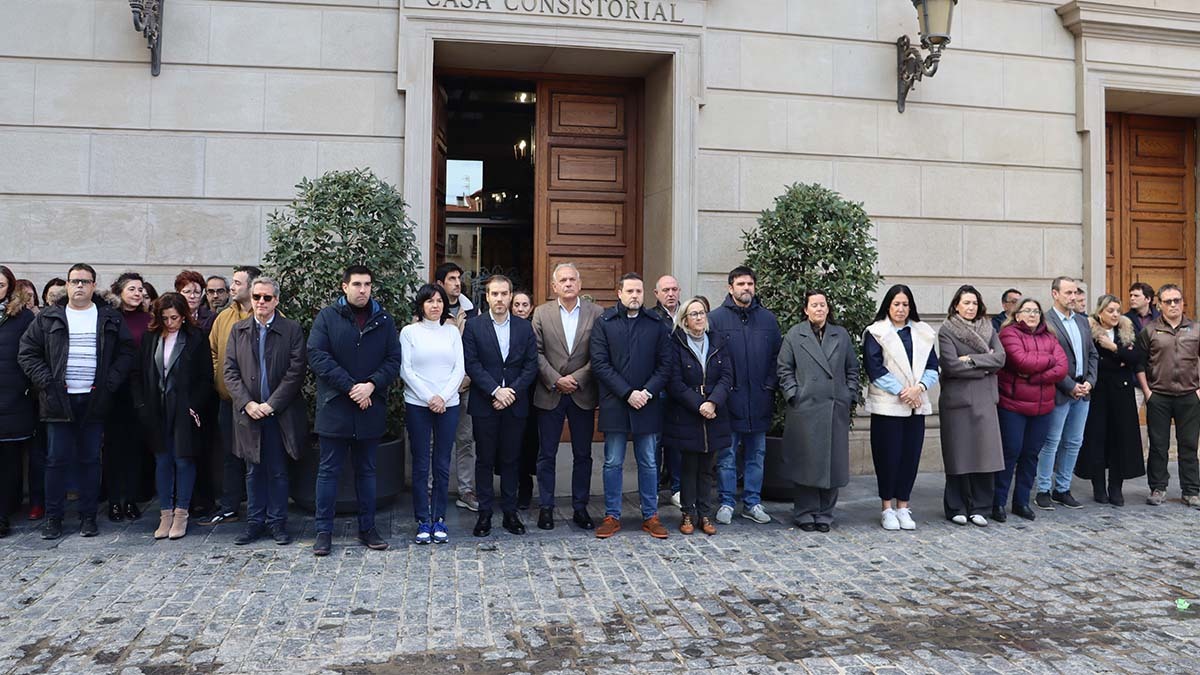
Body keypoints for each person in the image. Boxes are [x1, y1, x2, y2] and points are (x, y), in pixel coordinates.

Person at [18, 263, 135, 539]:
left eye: (85, 281)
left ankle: (88, 517)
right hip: (59, 400)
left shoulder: (109, 317)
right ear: (67, 285)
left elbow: (127, 351)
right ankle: (54, 518)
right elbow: (27, 352)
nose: (79, 286)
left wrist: (110, 382)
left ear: (94, 285)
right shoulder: (49, 317)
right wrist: (47, 380)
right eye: (74, 281)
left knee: (90, 460)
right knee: (56, 460)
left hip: (95, 399)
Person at [308, 265, 402, 556]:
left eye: (368, 285)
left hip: (369, 407)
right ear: (344, 287)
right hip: (335, 406)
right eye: (357, 284)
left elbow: (393, 360)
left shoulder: (384, 320)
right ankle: (323, 531)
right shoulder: (327, 317)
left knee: (367, 472)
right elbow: (317, 356)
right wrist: (351, 387)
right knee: (328, 472)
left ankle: (368, 528)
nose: (363, 290)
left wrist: (371, 386)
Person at [224, 277, 307, 546]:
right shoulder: (238, 330)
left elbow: (296, 372)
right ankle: (254, 523)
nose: (261, 302)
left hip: (278, 413)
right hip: (248, 414)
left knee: (278, 470)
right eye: (257, 297)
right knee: (252, 471)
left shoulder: (291, 330)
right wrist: (247, 404)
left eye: (267, 298)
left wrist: (272, 404)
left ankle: (277, 523)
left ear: (276, 301)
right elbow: (230, 371)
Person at [590, 273, 671, 539]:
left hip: (647, 403)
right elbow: (600, 364)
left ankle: (651, 515)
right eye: (630, 291)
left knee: (648, 461)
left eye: (639, 291)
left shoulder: (656, 323)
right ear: (619, 293)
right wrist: (627, 393)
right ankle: (612, 515)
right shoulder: (604, 322)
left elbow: (665, 364)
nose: (635, 296)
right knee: (613, 461)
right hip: (616, 402)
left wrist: (646, 392)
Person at [777, 291, 859, 532]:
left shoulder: (840, 335)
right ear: (806, 309)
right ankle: (804, 512)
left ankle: (825, 514)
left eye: (822, 305)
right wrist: (794, 394)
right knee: (806, 462)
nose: (819, 309)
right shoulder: (795, 334)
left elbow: (852, 368)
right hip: (805, 409)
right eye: (814, 305)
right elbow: (784, 368)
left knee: (831, 463)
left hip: (834, 407)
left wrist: (848, 394)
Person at [462, 275, 538, 537]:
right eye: (494, 294)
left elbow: (531, 366)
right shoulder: (474, 327)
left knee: (511, 460)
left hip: (515, 404)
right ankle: (484, 513)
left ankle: (509, 512)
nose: (500, 299)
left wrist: (511, 392)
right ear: (487, 296)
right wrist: (495, 390)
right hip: (486, 403)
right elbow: (471, 364)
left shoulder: (524, 328)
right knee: (484, 460)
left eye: (504, 294)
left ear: (510, 295)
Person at [133, 293, 213, 540]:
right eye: (165, 318)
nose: (170, 323)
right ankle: (165, 513)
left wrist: (193, 406)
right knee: (162, 460)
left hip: (183, 408)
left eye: (174, 318)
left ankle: (181, 513)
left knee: (183, 459)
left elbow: (205, 377)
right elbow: (139, 373)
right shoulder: (151, 338)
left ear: (183, 316)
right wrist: (142, 405)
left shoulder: (195, 338)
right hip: (157, 407)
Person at [531, 263, 603, 531]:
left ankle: (580, 508)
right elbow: (535, 353)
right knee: (546, 454)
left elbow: (600, 353)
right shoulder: (541, 313)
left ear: (580, 284)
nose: (568, 283)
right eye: (563, 280)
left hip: (582, 393)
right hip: (550, 392)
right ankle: (546, 508)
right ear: (554, 286)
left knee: (583, 454)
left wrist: (578, 378)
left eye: (573, 279)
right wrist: (555, 379)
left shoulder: (596, 313)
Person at [707, 266, 781, 526]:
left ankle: (752, 502)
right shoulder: (715, 319)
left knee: (756, 454)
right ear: (730, 288)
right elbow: (711, 361)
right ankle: (726, 501)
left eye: (750, 284)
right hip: (729, 401)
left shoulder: (768, 320)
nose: (746, 288)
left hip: (759, 399)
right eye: (741, 284)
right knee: (726, 455)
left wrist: (769, 385)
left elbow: (776, 358)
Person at [863, 284, 939, 531]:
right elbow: (875, 368)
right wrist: (903, 392)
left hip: (916, 404)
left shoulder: (923, 332)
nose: (901, 309)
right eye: (896, 304)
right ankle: (887, 508)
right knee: (888, 457)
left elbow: (932, 366)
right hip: (888, 405)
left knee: (910, 457)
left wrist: (919, 389)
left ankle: (903, 506)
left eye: (905, 304)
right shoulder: (876, 332)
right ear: (888, 305)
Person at [993, 298, 1068, 522]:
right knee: (1011, 452)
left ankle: (1021, 501)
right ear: (1017, 315)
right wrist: (1048, 361)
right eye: (1027, 311)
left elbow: (1062, 368)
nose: (1033, 315)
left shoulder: (1049, 336)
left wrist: (1034, 377)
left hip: (1043, 407)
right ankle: (998, 502)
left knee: (1031, 455)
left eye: (1036, 311)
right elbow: (1021, 361)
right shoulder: (1008, 334)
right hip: (1013, 405)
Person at [400, 283, 464, 544]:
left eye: (439, 301)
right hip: (418, 404)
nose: (435, 305)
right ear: (421, 305)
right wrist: (429, 397)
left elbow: (459, 369)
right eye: (430, 301)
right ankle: (422, 520)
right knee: (421, 463)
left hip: (448, 404)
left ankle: (439, 518)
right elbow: (406, 370)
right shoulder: (409, 333)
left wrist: (443, 397)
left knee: (441, 462)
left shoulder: (451, 333)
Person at [937, 285, 1006, 526]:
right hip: (958, 401)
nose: (970, 307)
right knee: (959, 455)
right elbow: (951, 365)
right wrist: (985, 368)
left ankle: (981, 507)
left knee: (984, 455)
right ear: (956, 305)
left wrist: (973, 360)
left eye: (974, 303)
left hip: (986, 399)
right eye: (966, 303)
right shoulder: (947, 330)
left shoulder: (989, 327)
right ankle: (956, 505)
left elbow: (1000, 359)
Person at [663, 296, 731, 536]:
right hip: (687, 414)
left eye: (702, 313)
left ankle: (705, 514)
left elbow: (726, 376)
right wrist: (699, 404)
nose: (699, 317)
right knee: (689, 467)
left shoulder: (718, 342)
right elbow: (674, 382)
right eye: (693, 314)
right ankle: (688, 514)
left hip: (714, 413)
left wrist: (712, 402)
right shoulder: (676, 344)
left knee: (707, 468)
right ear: (684, 320)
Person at [203, 265, 260, 526]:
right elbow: (213, 352)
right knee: (229, 455)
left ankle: (260, 508)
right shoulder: (223, 318)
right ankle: (229, 506)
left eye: (238, 283)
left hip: (258, 404)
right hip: (228, 400)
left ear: (252, 286)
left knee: (257, 456)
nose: (232, 288)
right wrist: (220, 380)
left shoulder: (269, 315)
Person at [1035, 277, 1098, 511]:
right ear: (1055, 294)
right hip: (1060, 392)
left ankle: (1062, 488)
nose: (1073, 297)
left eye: (1075, 293)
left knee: (1074, 442)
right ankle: (1043, 489)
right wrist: (1069, 385)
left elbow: (1092, 354)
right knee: (1051, 442)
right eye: (1068, 292)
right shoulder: (1047, 322)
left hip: (1083, 392)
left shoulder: (1082, 321)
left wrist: (1089, 382)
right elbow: (1048, 360)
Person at [1075, 294, 1144, 507]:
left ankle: (1116, 487)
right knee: (1097, 439)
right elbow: (1093, 362)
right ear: (1100, 312)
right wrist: (1120, 360)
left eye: (1117, 310)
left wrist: (1114, 349)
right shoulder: (1089, 330)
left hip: (1122, 395)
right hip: (1098, 392)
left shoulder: (1127, 330)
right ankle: (1098, 487)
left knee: (1120, 439)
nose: (1115, 314)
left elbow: (1137, 358)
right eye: (1110, 310)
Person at [1136, 284, 1200, 508]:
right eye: (1168, 301)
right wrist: (1147, 392)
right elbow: (1139, 364)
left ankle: (1191, 491)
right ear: (1159, 304)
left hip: (1189, 396)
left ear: (1183, 302)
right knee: (1158, 445)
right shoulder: (1150, 330)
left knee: (1189, 445)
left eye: (1177, 300)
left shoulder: (1196, 328)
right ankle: (1158, 488)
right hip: (1159, 397)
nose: (1173, 305)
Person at [103, 272, 153, 523]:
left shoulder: (149, 320)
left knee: (135, 447)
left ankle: (131, 500)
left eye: (140, 289)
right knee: (113, 448)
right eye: (132, 289)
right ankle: (114, 501)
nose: (137, 293)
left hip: (141, 389)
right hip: (114, 389)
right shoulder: (110, 317)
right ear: (120, 292)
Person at [435, 262, 479, 513]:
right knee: (433, 440)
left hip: (465, 385)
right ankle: (431, 488)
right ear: (440, 283)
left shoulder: (472, 311)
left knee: (465, 439)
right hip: (436, 390)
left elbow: (478, 348)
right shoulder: (429, 308)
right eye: (451, 278)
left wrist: (468, 378)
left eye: (459, 278)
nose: (457, 282)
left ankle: (466, 490)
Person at [0, 266, 35, 537]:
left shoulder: (22, 318)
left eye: (1, 285)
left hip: (12, 397)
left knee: (8, 461)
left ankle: (3, 513)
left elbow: (31, 355)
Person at [649, 274, 682, 504]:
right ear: (657, 294)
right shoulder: (650, 318)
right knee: (655, 441)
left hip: (680, 388)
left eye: (674, 289)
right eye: (666, 290)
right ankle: (652, 490)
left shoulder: (687, 314)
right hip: (658, 387)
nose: (670, 294)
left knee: (678, 440)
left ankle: (678, 489)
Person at [510, 289, 539, 510]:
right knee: (511, 442)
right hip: (509, 393)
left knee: (529, 441)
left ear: (531, 308)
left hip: (533, 394)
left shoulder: (536, 329)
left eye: (524, 305)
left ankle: (526, 487)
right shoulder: (504, 327)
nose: (520, 309)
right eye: (517, 305)